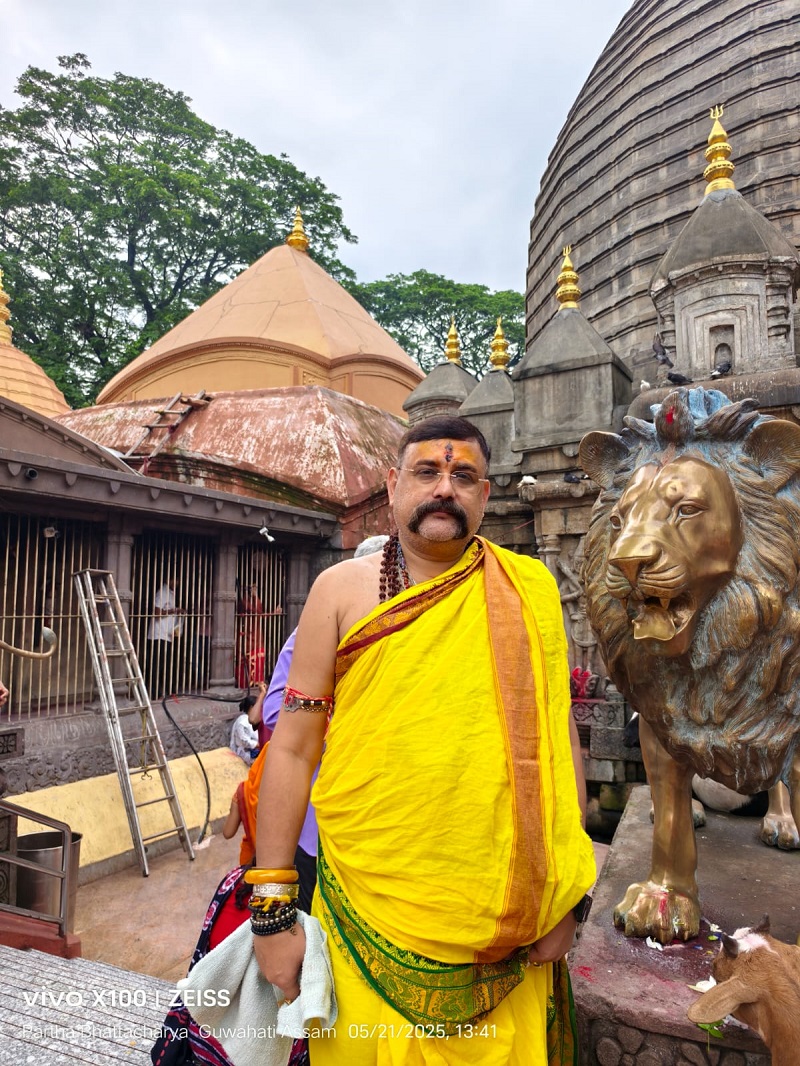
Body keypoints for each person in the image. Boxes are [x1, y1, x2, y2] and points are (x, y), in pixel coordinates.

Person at [252, 416, 596, 1065]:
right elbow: (292, 749)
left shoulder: (528, 591)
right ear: (393, 486)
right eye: (427, 471)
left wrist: (569, 896)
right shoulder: (338, 592)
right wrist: (272, 911)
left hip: (501, 926)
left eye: (463, 475)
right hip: (364, 904)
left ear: (484, 495)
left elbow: (556, 745)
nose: (444, 488)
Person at [146, 577, 184, 698]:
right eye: (176, 580)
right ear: (169, 579)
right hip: (158, 635)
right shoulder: (162, 592)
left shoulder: (171, 593)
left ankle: (166, 690)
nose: (177, 583)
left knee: (165, 664)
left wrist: (176, 611)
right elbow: (157, 613)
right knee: (157, 665)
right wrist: (173, 611)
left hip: (166, 634)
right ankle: (153, 692)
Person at [229, 683, 266, 763]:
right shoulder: (242, 722)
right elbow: (245, 741)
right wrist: (259, 745)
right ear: (252, 707)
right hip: (245, 753)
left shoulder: (257, 719)